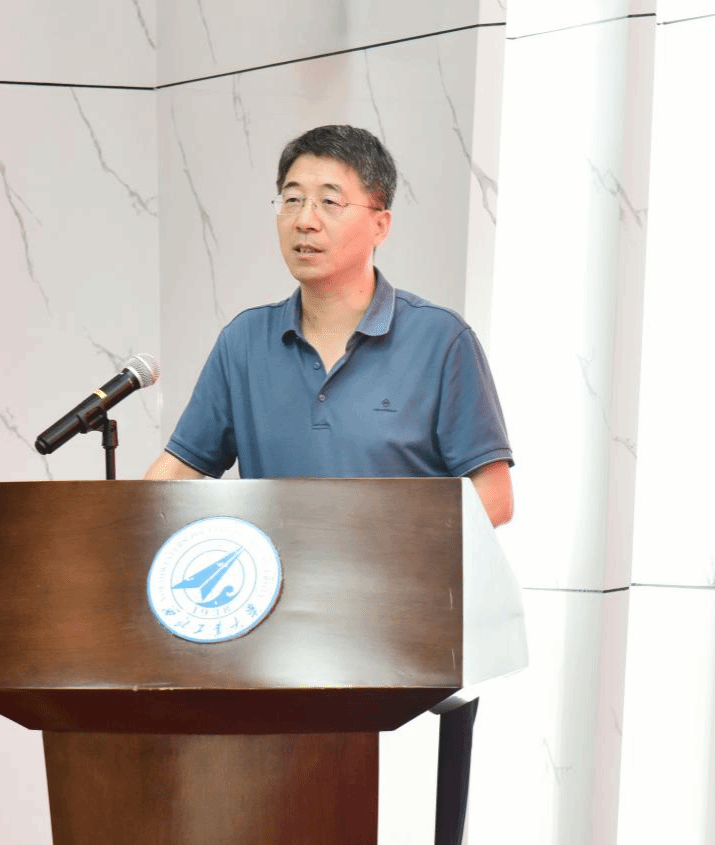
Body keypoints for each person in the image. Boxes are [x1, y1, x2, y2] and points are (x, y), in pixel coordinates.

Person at [144, 124, 513, 844]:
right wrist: (108, 532)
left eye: (328, 201)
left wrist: (377, 545)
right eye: (290, 199)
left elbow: (493, 497)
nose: (304, 220)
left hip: (403, 654)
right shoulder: (245, 343)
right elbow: (177, 472)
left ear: (380, 223)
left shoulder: (440, 342)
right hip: (265, 647)